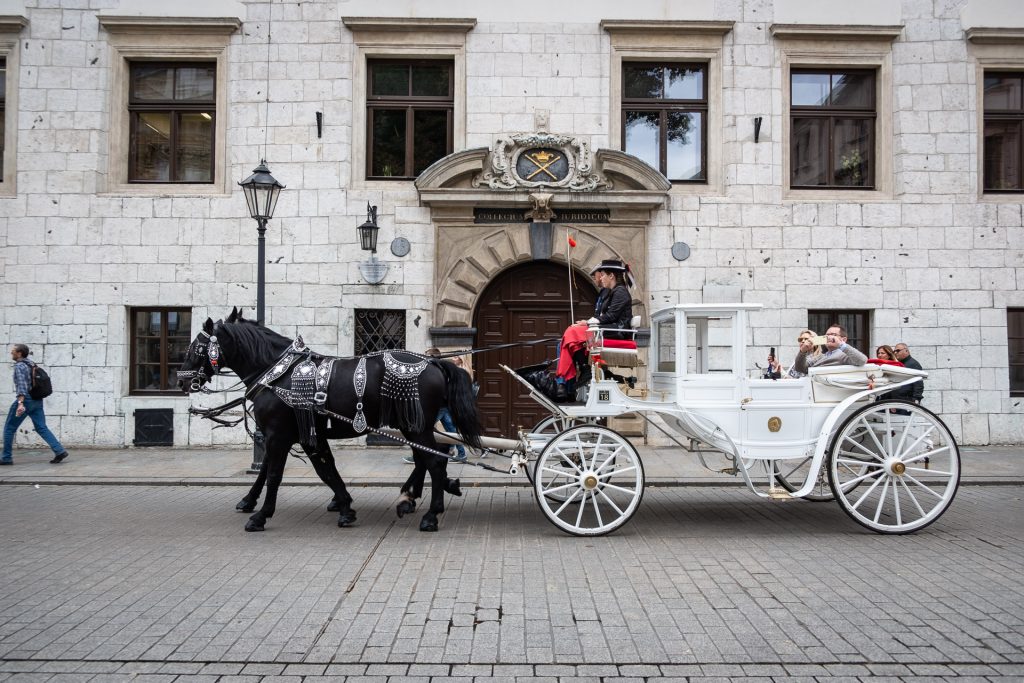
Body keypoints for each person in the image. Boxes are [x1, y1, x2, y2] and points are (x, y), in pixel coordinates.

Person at [553, 259, 633, 400]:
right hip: (608, 329)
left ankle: (570, 378)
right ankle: (581, 371)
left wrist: (588, 323)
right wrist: (587, 323)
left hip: (617, 332)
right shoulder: (612, 292)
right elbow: (605, 316)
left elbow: (611, 315)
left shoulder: (620, 292)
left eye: (603, 275)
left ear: (611, 276)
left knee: (572, 333)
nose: (601, 278)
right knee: (571, 335)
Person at [2, 344, 68, 465]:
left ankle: (6, 457)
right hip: (36, 400)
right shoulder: (31, 364)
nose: (11, 352)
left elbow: (22, 386)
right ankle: (59, 451)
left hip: (26, 399)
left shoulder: (20, 366)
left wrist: (20, 402)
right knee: (41, 427)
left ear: (20, 353)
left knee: (9, 429)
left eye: (13, 351)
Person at [404, 349, 467, 464]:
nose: (424, 358)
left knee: (421, 429)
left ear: (432, 357)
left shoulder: (437, 370)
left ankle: (418, 456)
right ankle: (462, 454)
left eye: (427, 356)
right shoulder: (441, 369)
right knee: (451, 430)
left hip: (440, 406)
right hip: (444, 405)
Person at [790, 324, 867, 377]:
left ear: (843, 339)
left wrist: (840, 345)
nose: (829, 337)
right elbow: (800, 369)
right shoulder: (821, 356)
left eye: (833, 335)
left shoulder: (844, 355)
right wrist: (803, 351)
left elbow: (862, 360)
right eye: (827, 335)